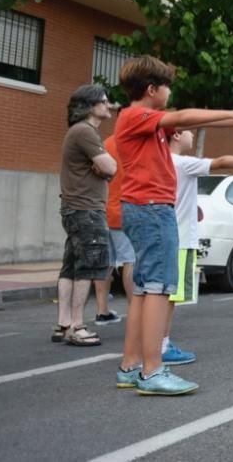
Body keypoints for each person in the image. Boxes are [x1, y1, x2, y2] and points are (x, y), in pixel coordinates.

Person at [114, 54, 233, 395]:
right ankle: (152, 371)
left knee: (143, 289)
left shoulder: (138, 120)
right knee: (158, 287)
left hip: (143, 208)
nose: (169, 93)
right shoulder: (137, 115)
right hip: (153, 209)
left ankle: (131, 365)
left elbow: (191, 122)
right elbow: (182, 116)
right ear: (152, 89)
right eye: (166, 86)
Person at [166, 129, 233, 364]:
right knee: (169, 297)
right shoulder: (183, 163)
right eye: (188, 131)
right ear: (176, 135)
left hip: (167, 235)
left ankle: (154, 345)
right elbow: (222, 161)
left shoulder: (160, 161)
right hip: (181, 236)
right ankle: (161, 345)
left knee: (158, 294)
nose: (192, 135)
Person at [53, 84, 117, 347]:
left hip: (74, 208)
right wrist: (104, 168)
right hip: (86, 210)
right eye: (104, 101)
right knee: (88, 266)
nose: (109, 104)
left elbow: (103, 167)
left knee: (70, 265)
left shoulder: (79, 131)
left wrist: (101, 168)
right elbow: (111, 167)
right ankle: (77, 326)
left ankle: (63, 323)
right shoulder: (85, 131)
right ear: (92, 106)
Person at [94, 135, 136, 326]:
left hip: (103, 209)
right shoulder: (134, 144)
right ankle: (135, 310)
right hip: (124, 210)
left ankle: (102, 311)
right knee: (130, 260)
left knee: (106, 262)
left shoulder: (106, 143)